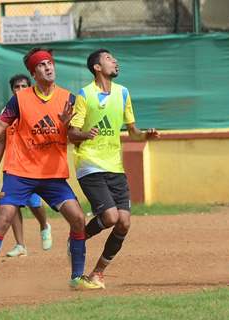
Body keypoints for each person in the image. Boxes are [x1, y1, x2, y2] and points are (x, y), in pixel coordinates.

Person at [0, 48, 101, 292]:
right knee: (3, 219)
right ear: (34, 72)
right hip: (20, 172)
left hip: (52, 175)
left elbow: (74, 137)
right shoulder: (20, 99)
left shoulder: (68, 99)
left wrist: (69, 126)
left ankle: (76, 277)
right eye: (42, 65)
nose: (49, 67)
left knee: (78, 218)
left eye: (50, 63)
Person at [68, 49, 159, 289]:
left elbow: (133, 133)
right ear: (97, 67)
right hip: (89, 164)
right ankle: (78, 238)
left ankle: (97, 273)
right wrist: (85, 134)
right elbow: (72, 133)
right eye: (109, 59)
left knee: (124, 223)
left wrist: (145, 135)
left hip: (114, 167)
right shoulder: (85, 94)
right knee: (110, 217)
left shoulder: (123, 93)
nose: (115, 61)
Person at [0, 74, 52, 257]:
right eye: (16, 87)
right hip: (12, 166)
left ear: (30, 87)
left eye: (24, 86)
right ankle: (20, 245)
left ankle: (44, 224)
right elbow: (0, 140)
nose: (20, 90)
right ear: (12, 90)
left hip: (33, 166)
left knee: (34, 203)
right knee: (12, 205)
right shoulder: (7, 111)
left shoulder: (37, 108)